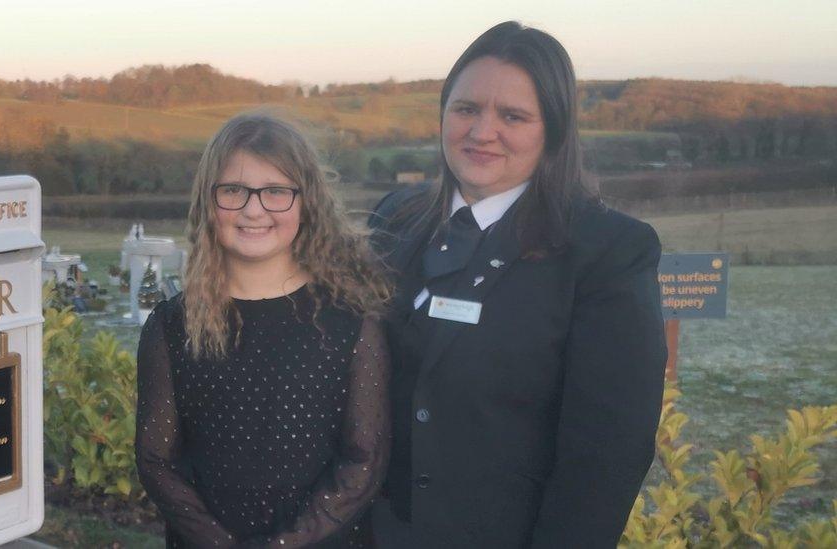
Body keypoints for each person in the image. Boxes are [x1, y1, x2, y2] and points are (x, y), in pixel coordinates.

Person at [369, 21, 667, 548]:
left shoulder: (606, 252)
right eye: (466, 109)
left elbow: (608, 454)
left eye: (513, 116)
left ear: (552, 129)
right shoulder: (395, 219)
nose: (482, 132)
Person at [136, 113, 393, 548]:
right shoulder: (172, 327)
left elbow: (363, 464)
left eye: (276, 191)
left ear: (306, 201)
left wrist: (282, 545)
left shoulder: (351, 324)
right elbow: (157, 460)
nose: (254, 209)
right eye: (234, 190)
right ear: (208, 201)